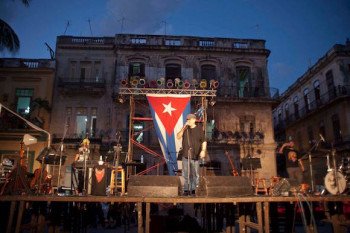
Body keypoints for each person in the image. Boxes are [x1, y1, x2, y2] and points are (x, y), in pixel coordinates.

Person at [176, 113, 207, 195]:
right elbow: (178, 136)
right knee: (185, 173)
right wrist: (183, 127)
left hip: (195, 155)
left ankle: (193, 190)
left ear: (194, 120)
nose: (188, 121)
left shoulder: (199, 129)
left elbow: (204, 141)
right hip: (185, 155)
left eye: (189, 119)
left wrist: (203, 150)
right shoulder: (185, 129)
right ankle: (186, 190)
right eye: (187, 120)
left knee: (195, 174)